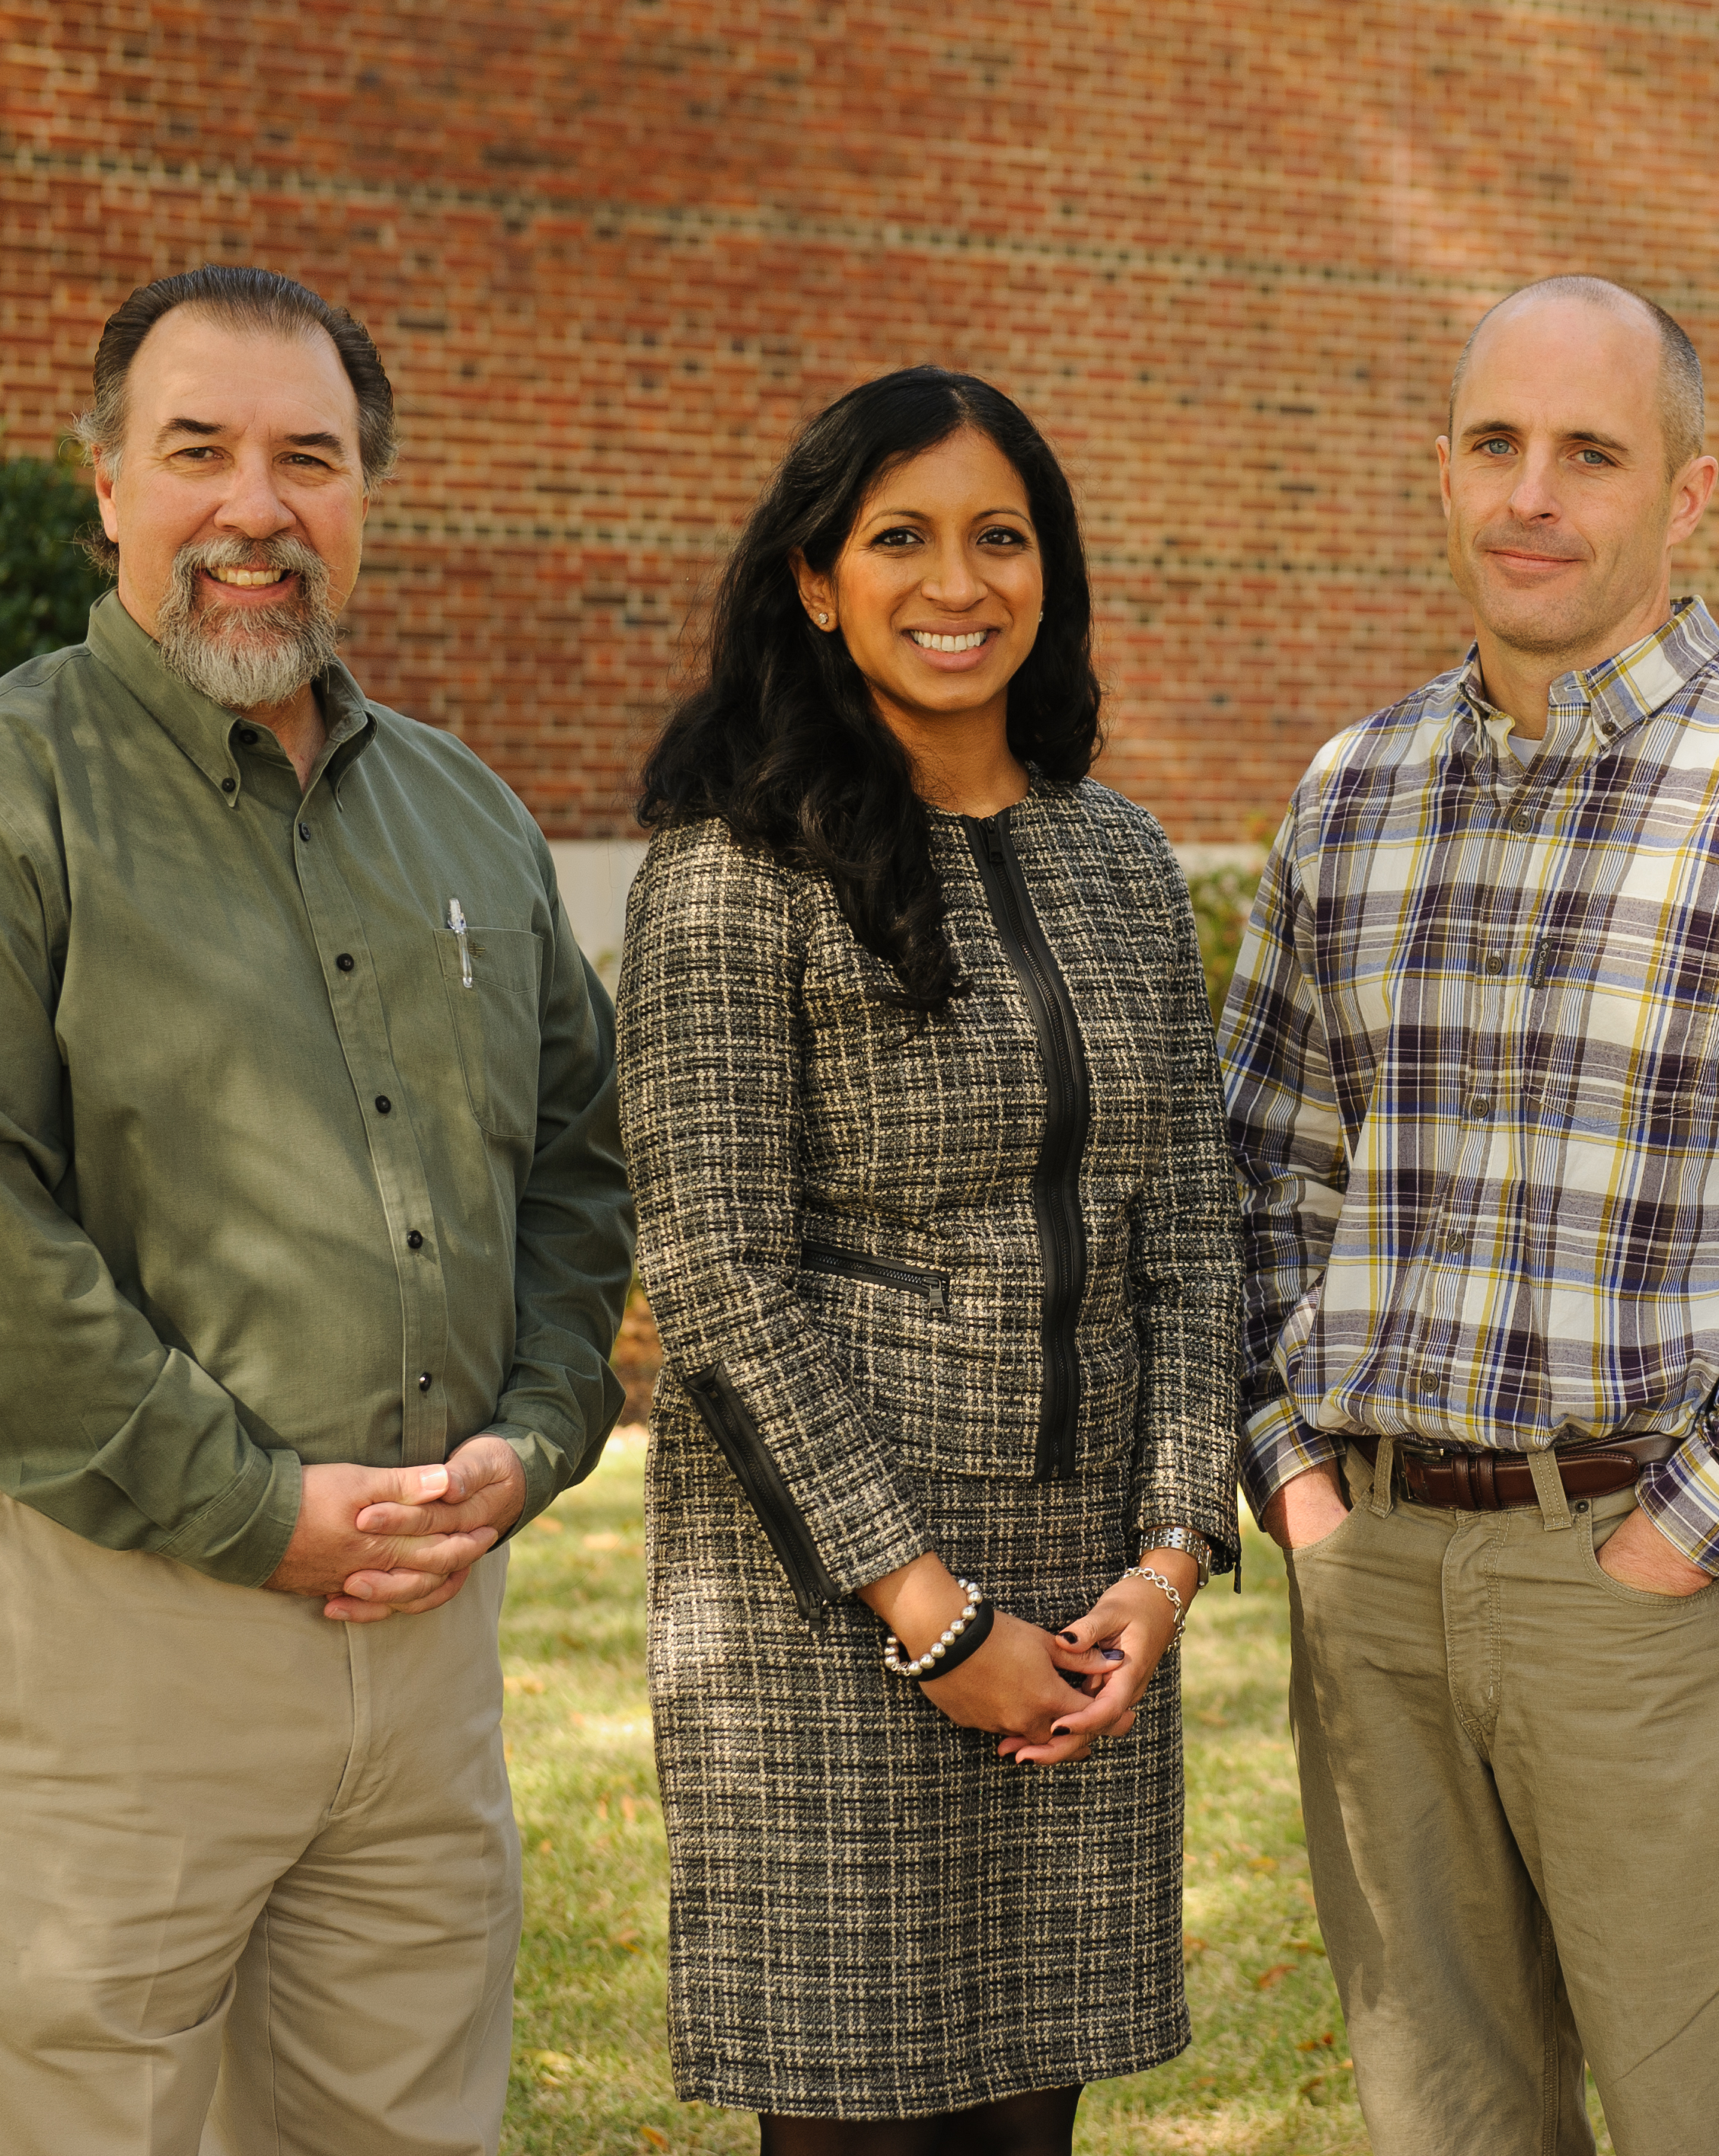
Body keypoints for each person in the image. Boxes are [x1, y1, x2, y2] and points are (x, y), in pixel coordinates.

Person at [0, 264, 633, 2154]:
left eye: (308, 459)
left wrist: (535, 1431)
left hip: (419, 1652)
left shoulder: (468, 819)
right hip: (97, 1623)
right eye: (200, 451)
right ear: (105, 485)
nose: (255, 507)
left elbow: (579, 1160)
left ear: (362, 499)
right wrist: (259, 1516)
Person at [1218, 276, 1719, 2155]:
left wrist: (1678, 1541)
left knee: (1703, 2117)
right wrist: (1298, 1488)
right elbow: (1253, 1172)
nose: (1531, 495)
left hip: (1639, 1576)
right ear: (1443, 470)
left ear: (1689, 490)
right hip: (1372, 1578)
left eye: (1590, 451)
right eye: (1495, 444)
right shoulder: (1355, 792)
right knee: (1443, 2120)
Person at [619, 366, 1240, 2156]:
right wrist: (930, 1618)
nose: (953, 581)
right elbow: (721, 1284)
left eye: (997, 537)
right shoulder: (733, 871)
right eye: (900, 537)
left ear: (1046, 576)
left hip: (1083, 1594)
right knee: (859, 2120)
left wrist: (1169, 1557)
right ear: (816, 579)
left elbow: (1190, 1234)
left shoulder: (1116, 857)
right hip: (836, 1603)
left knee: (1024, 2128)